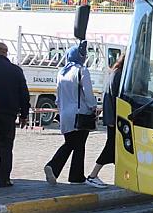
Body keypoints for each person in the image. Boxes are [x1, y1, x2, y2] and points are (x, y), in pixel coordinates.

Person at [44, 45, 97, 185]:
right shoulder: (81, 70)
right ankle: (76, 176)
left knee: (70, 143)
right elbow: (88, 94)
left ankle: (53, 168)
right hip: (80, 113)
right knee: (79, 145)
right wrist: (93, 107)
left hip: (65, 114)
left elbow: (58, 98)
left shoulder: (62, 72)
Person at [0, 42, 30, 187]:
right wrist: (24, 115)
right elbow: (24, 94)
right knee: (6, 148)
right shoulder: (16, 71)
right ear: (5, 53)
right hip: (7, 115)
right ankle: (4, 179)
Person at [85, 52, 125, 188]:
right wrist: (111, 120)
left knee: (116, 149)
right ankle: (92, 176)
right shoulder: (118, 74)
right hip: (115, 119)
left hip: (117, 118)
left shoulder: (119, 73)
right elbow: (111, 98)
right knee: (111, 147)